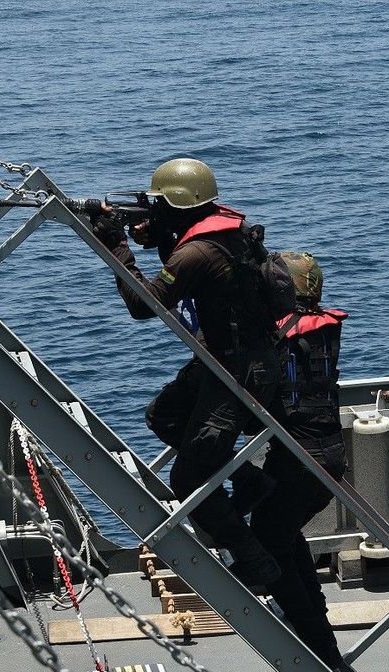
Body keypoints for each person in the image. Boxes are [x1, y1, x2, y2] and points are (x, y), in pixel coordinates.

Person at [96, 157, 286, 589]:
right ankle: (247, 479)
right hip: (233, 361)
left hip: (237, 371)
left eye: (159, 204)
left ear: (179, 206)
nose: (153, 209)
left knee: (187, 478)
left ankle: (255, 562)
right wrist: (163, 237)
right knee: (163, 414)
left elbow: (144, 305)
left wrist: (116, 247)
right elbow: (205, 282)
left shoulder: (196, 251)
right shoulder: (225, 234)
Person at [248, 252, 347, 670]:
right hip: (325, 452)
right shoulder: (321, 331)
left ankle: (314, 638)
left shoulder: (280, 336)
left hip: (301, 459)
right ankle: (316, 621)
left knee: (270, 534)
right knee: (283, 531)